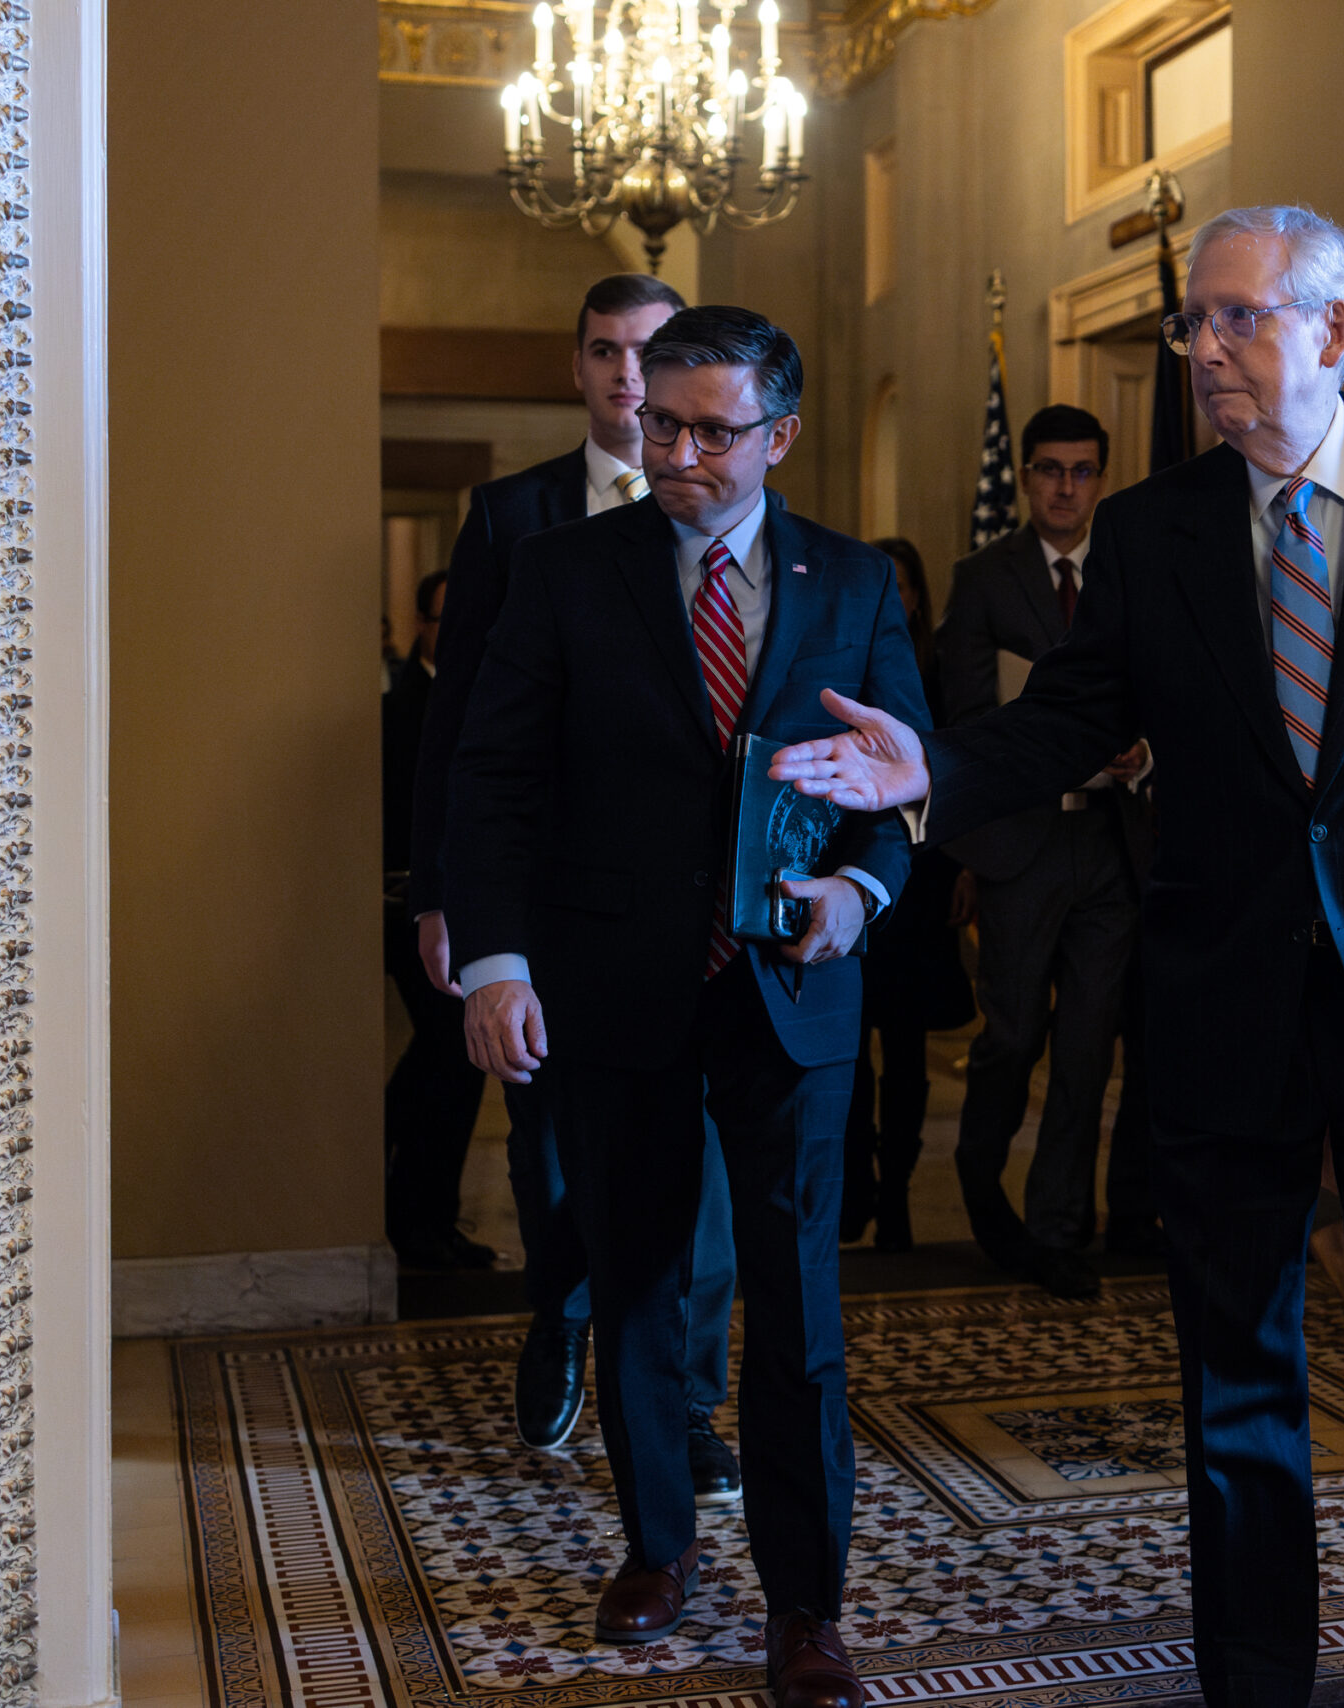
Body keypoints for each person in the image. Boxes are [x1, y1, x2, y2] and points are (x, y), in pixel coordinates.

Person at [770, 204, 1344, 1708]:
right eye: (1194, 324)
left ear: (1334, 332)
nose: (1206, 350)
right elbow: (1073, 716)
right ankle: (1255, 1673)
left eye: (1237, 319)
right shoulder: (1157, 527)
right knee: (1237, 1374)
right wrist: (930, 773)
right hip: (1223, 998)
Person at [445, 305, 924, 1708]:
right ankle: (657, 1548)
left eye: (711, 429)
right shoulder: (562, 573)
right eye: (660, 421)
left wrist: (862, 895)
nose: (677, 452)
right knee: (640, 1285)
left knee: (795, 1312)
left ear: (779, 435)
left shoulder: (855, 582)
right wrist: (496, 961)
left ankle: (807, 1605)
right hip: (613, 984)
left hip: (790, 990)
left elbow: (894, 794)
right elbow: (494, 782)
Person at [406, 274, 739, 1496]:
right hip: (549, 909)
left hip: (691, 916)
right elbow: (461, 733)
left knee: (695, 1174)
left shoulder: (737, 500)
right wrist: (444, 897)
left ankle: (687, 1397)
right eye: (604, 351)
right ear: (581, 365)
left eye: (648, 352)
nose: (626, 375)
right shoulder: (514, 517)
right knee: (555, 1152)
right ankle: (565, 1309)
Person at [933, 404, 1153, 1299]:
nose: (1068, 487)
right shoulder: (985, 578)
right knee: (1013, 1037)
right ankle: (983, 1190)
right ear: (1025, 477)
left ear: (1102, 477)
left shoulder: (1135, 568)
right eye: (1051, 470)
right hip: (1023, 838)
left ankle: (1061, 1228)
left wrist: (1143, 749)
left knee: (1088, 1048)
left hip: (1112, 840)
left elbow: (1167, 684)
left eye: (1084, 470)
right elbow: (969, 718)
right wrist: (1066, 737)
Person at [841, 537, 974, 1253]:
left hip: (921, 882)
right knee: (851, 1049)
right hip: (850, 877)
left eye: (901, 586)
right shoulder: (839, 663)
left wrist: (963, 868)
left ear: (918, 598)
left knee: (908, 1051)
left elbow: (959, 772)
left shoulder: (941, 671)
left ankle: (895, 1193)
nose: (890, 598)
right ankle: (854, 1186)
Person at [382, 569, 496, 1271]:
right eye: (446, 619)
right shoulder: (401, 710)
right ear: (423, 626)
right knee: (451, 1056)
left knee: (448, 1063)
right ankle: (421, 1222)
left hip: (480, 907)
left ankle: (422, 1214)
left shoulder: (497, 697)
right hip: (419, 910)